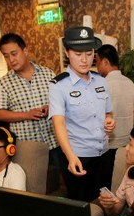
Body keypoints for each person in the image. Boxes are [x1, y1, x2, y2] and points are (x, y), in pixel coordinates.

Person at [49, 26, 115, 202]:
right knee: (82, 206)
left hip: (104, 153)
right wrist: (70, 157)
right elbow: (59, 124)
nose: (85, 60)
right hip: (79, 156)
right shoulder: (58, 85)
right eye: (78, 54)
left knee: (105, 201)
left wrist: (109, 120)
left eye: (89, 53)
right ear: (67, 52)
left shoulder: (101, 81)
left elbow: (108, 113)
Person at [0, 33, 61, 177]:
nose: (11, 59)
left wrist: (51, 107)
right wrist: (26, 115)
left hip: (54, 141)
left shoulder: (48, 74)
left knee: (62, 181)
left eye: (14, 53)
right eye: (6, 56)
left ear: (25, 51)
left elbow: (61, 101)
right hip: (27, 147)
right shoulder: (4, 82)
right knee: (32, 185)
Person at [95, 44, 134, 189]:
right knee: (121, 181)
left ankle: (107, 208)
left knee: (105, 181)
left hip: (107, 144)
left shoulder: (102, 85)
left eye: (97, 61)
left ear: (105, 62)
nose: (97, 66)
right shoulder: (130, 83)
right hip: (126, 143)